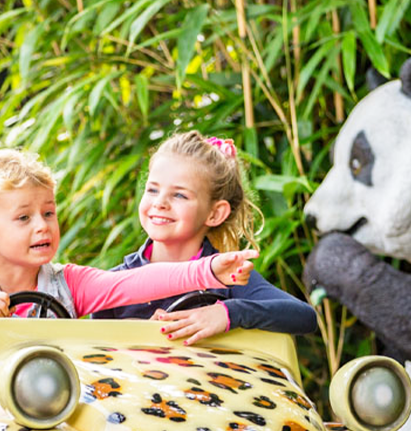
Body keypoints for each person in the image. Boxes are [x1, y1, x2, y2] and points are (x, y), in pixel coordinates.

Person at [0, 148, 257, 400]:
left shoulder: (68, 283)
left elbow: (134, 282)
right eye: (23, 218)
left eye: (48, 213)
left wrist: (209, 270)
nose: (42, 225)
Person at [92, 130, 317, 342]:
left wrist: (227, 313)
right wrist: (138, 337)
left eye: (179, 195)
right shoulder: (116, 282)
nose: (159, 202)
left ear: (214, 213)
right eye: (152, 190)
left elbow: (304, 317)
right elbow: (93, 358)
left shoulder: (226, 277)